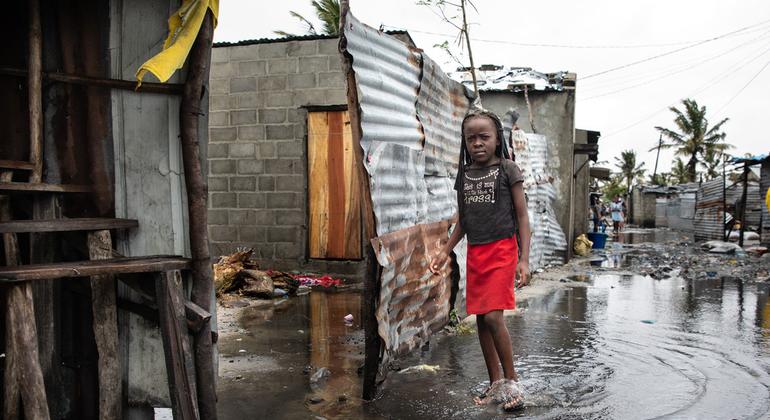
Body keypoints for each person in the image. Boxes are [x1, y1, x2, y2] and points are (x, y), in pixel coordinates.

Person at [430, 109, 531, 411]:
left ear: (497, 138)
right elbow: (464, 219)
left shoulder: (508, 169)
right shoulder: (465, 174)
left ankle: (513, 383)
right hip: (476, 252)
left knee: (492, 317)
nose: (477, 143)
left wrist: (524, 260)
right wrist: (445, 250)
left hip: (502, 250)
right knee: (481, 322)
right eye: (470, 138)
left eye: (484, 137)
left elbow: (523, 216)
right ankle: (495, 385)